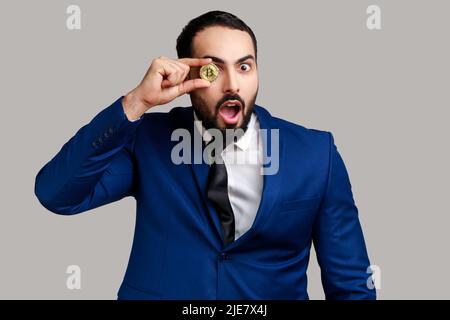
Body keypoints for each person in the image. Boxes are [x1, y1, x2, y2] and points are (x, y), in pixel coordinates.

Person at [34, 10, 376, 300]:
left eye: (244, 67)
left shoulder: (316, 153)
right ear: (189, 75)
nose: (232, 85)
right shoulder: (149, 140)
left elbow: (351, 283)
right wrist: (136, 102)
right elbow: (56, 194)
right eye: (213, 70)